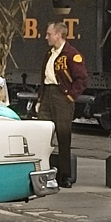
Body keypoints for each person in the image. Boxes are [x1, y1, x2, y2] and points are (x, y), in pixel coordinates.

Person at [37, 22, 87, 188]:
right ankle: (43, 171)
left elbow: (82, 79)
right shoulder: (48, 53)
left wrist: (70, 97)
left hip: (62, 97)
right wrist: (40, 99)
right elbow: (43, 78)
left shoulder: (72, 54)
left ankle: (64, 175)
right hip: (47, 96)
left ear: (58, 35)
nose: (46, 37)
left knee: (63, 136)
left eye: (49, 34)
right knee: (43, 135)